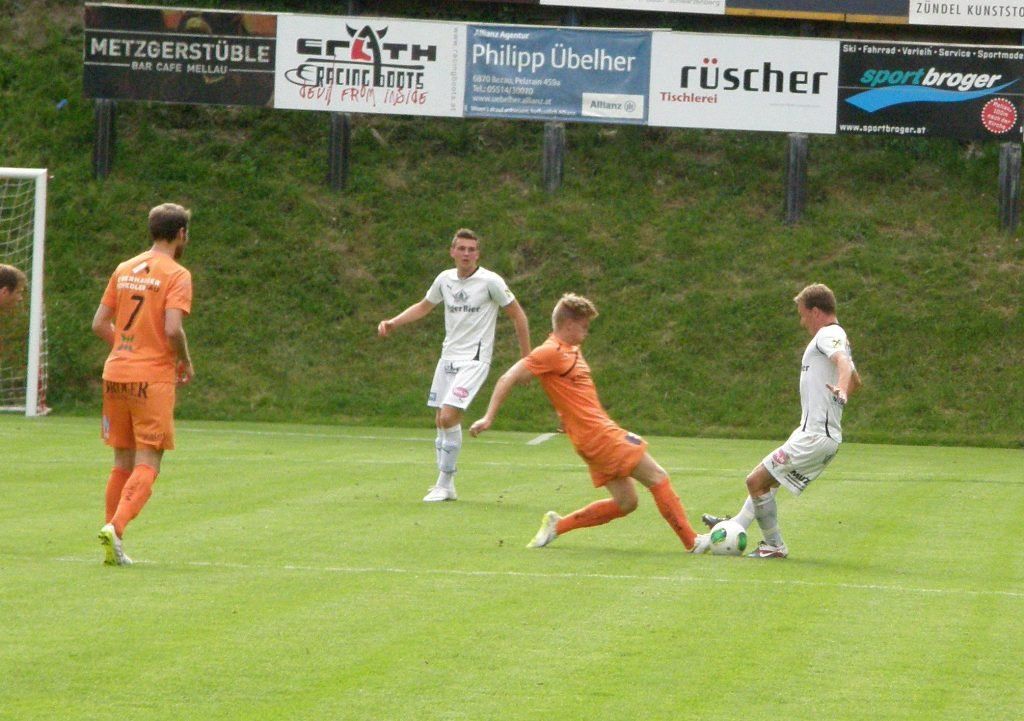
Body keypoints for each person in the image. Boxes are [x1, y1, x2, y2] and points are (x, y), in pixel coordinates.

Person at [470, 293, 706, 553]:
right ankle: (692, 542)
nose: (586, 332)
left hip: (590, 437)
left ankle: (557, 526)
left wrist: (566, 415)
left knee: (626, 502)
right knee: (657, 476)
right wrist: (488, 417)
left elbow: (567, 391)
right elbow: (509, 377)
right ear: (569, 324)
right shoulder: (550, 351)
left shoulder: (570, 349)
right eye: (583, 326)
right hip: (599, 436)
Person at [698, 283, 861, 558]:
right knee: (768, 481)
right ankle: (735, 526)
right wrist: (842, 392)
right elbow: (855, 378)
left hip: (815, 435)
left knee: (755, 481)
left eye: (803, 315)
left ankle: (774, 545)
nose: (802, 322)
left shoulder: (828, 334)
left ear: (816, 311)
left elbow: (844, 366)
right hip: (818, 434)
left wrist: (841, 390)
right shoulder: (839, 337)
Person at [377, 228, 530, 502]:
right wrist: (393, 322)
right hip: (448, 357)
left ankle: (445, 483)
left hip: (474, 360)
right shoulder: (444, 279)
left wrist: (527, 359)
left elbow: (518, 316)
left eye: (471, 249)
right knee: (440, 420)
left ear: (478, 254)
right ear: (452, 252)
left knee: (448, 417)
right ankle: (445, 484)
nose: (466, 254)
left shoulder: (491, 281)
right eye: (461, 248)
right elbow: (424, 306)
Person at [91, 203, 195, 566]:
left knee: (122, 459)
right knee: (149, 458)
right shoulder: (177, 274)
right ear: (181, 234)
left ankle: (112, 541)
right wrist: (183, 359)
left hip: (116, 373)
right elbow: (173, 329)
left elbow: (99, 323)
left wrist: (126, 346)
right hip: (151, 377)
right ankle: (115, 528)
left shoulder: (124, 268)